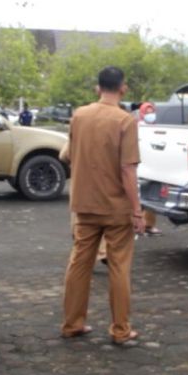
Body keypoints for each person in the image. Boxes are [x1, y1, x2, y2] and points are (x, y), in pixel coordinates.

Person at [61, 66, 143, 345]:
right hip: (116, 207)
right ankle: (120, 329)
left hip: (84, 204)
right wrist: (137, 211)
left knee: (79, 263)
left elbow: (70, 155)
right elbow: (128, 171)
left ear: (97, 88)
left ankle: (73, 323)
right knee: (119, 266)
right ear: (123, 88)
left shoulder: (79, 116)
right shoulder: (125, 121)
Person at [135, 102, 161, 236]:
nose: (151, 115)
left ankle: (148, 225)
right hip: (140, 167)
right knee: (140, 197)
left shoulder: (155, 128)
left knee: (152, 196)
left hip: (153, 167)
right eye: (148, 112)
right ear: (142, 113)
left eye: (152, 112)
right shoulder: (138, 127)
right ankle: (139, 224)